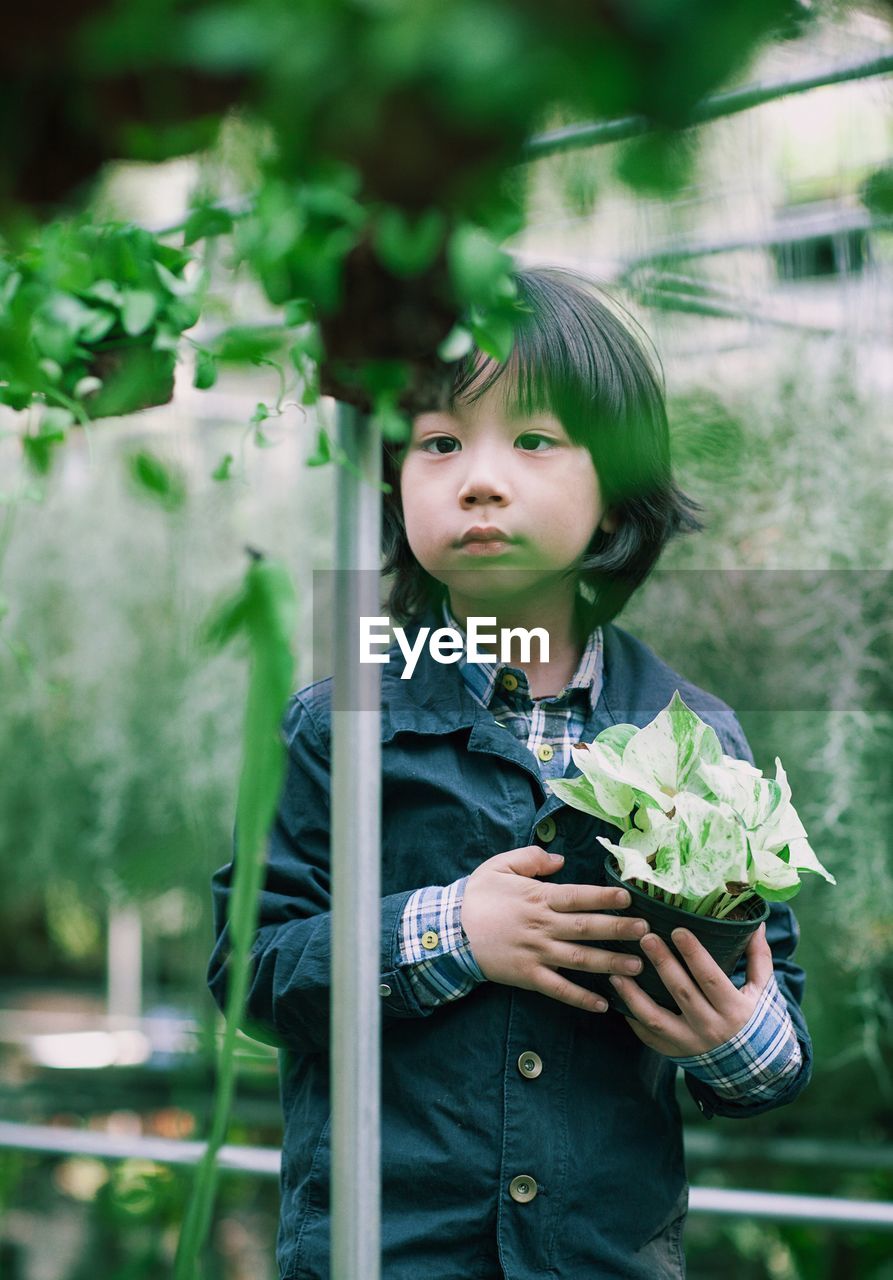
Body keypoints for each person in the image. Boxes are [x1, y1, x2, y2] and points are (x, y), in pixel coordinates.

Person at [207, 266, 812, 1279]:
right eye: (439, 442)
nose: (477, 479)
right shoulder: (335, 723)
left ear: (614, 488)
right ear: (394, 479)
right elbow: (250, 970)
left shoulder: (700, 743)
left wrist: (732, 1034)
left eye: (532, 441)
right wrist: (450, 930)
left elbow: (776, 1033)